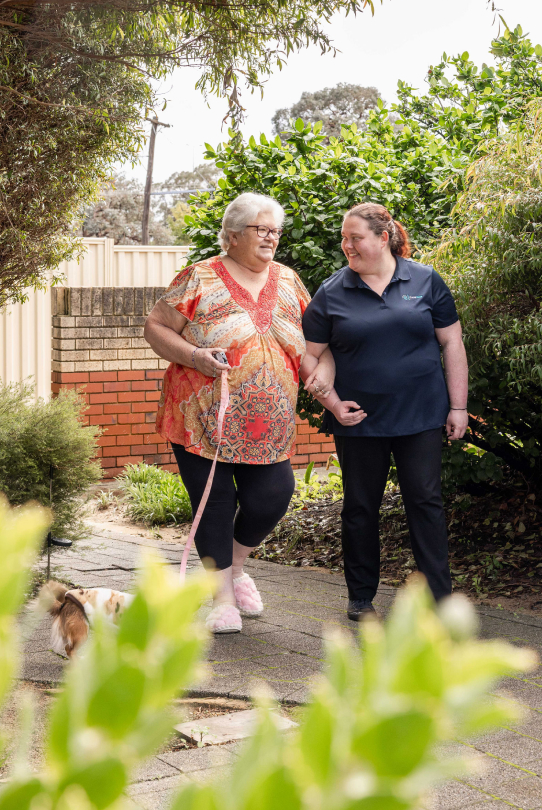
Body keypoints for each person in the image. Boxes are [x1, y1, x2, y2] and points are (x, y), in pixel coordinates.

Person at [144, 192, 334, 634]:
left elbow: (309, 346)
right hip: (202, 417)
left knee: (274, 493)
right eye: (261, 230)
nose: (271, 238)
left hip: (270, 424)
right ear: (231, 235)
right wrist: (194, 355)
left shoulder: (289, 281)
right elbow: (154, 327)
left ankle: (235, 567)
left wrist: (327, 387)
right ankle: (222, 600)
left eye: (275, 231)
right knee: (215, 501)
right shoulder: (198, 278)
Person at [302, 202, 468, 620]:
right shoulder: (332, 291)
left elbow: (452, 344)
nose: (347, 245)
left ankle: (439, 599)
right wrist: (334, 404)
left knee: (425, 502)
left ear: (383, 237)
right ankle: (361, 599)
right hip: (359, 420)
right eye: (344, 238)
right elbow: (310, 356)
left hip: (422, 416)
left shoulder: (425, 280)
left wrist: (459, 406)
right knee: (360, 507)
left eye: (354, 237)